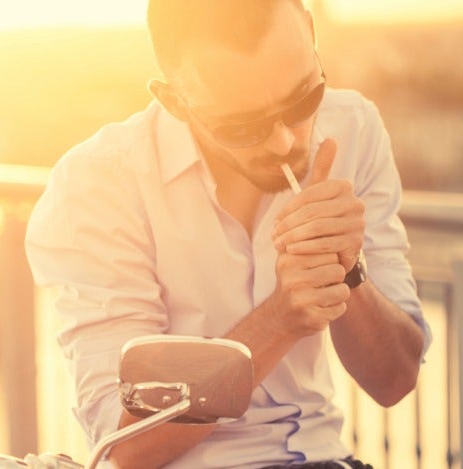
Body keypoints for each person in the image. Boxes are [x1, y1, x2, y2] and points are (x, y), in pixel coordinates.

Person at [24, 1, 432, 468]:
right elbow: (127, 448)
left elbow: (395, 381)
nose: (284, 140)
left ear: (313, 40)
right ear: (175, 101)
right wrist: (279, 319)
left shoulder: (352, 126)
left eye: (302, 99)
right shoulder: (100, 183)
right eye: (243, 125)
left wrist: (346, 270)